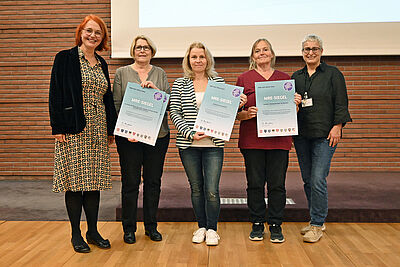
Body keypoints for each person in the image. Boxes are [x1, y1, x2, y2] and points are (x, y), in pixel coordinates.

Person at [49, 14, 117, 253]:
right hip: (73, 129)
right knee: (75, 183)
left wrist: (110, 129)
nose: (93, 36)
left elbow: (107, 98)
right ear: (81, 32)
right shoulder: (65, 58)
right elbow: (55, 94)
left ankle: (93, 230)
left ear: (102, 38)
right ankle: (76, 233)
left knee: (93, 183)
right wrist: (57, 127)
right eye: (89, 31)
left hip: (98, 130)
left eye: (98, 33)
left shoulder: (102, 63)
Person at [170, 42, 246, 246]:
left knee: (212, 189)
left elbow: (224, 112)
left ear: (207, 59)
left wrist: (237, 105)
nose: (198, 60)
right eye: (194, 57)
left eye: (201, 57)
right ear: (188, 60)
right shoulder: (179, 83)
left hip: (213, 144)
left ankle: (212, 228)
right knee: (196, 188)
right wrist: (189, 132)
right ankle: (201, 226)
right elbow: (174, 112)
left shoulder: (218, 81)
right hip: (188, 145)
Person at [236, 38, 301, 243]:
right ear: (253, 56)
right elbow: (236, 114)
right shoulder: (243, 78)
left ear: (272, 54)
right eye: (257, 50)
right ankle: (256, 223)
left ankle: (275, 225)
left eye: (265, 49)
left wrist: (296, 104)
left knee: (277, 185)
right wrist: (246, 113)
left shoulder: (285, 79)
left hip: (279, 139)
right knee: (254, 184)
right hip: (252, 140)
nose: (262, 53)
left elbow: (292, 112)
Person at [291, 34, 352, 243]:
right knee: (308, 180)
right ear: (302, 53)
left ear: (321, 52)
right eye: (306, 49)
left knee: (318, 178)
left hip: (325, 135)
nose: (310, 52)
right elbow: (289, 108)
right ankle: (315, 218)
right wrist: (294, 103)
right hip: (301, 135)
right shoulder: (295, 77)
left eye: (314, 49)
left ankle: (317, 224)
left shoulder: (333, 74)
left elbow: (341, 103)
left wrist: (338, 126)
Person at [113, 35, 170, 244]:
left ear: (152, 51)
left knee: (153, 183)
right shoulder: (122, 73)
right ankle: (129, 229)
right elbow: (117, 105)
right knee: (130, 183)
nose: (142, 50)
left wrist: (156, 91)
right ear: (133, 50)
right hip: (129, 138)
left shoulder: (160, 73)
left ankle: (151, 227)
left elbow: (167, 103)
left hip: (158, 137)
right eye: (138, 47)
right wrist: (131, 131)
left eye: (146, 47)